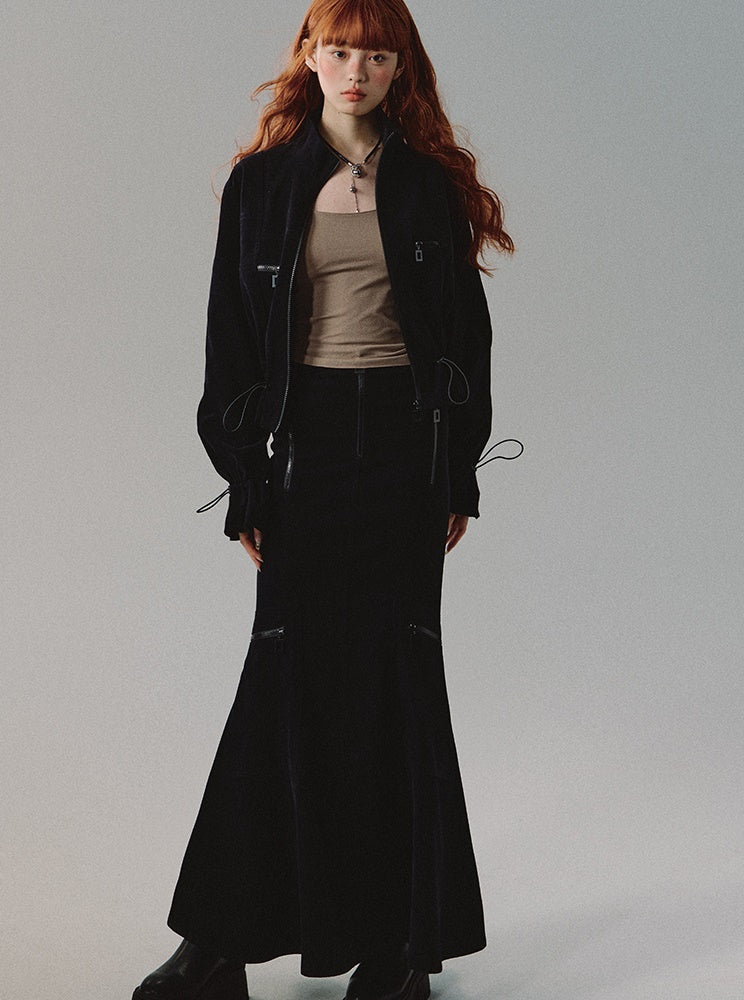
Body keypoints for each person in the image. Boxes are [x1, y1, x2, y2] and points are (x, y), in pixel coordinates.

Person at [132, 1, 514, 998]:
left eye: (376, 55)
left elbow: (466, 339)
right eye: (339, 49)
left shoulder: (430, 185)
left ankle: (396, 951)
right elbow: (228, 338)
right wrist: (245, 476)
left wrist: (459, 471)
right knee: (281, 681)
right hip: (305, 446)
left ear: (399, 69)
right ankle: (217, 945)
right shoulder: (260, 184)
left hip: (405, 449)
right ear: (309, 56)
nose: (356, 69)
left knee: (398, 682)